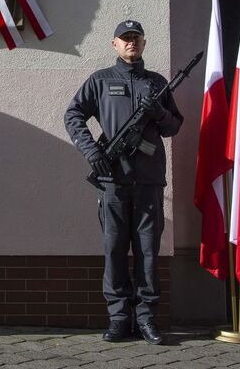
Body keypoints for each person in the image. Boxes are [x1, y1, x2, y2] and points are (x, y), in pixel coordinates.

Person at [64, 20, 183, 345]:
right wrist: (92, 151)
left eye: (136, 38)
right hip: (112, 181)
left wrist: (159, 113)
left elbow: (174, 126)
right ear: (114, 44)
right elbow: (73, 115)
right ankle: (119, 318)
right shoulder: (100, 81)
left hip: (149, 182)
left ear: (143, 43)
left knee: (148, 251)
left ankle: (146, 319)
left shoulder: (157, 83)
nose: (131, 42)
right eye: (125, 38)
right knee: (114, 249)